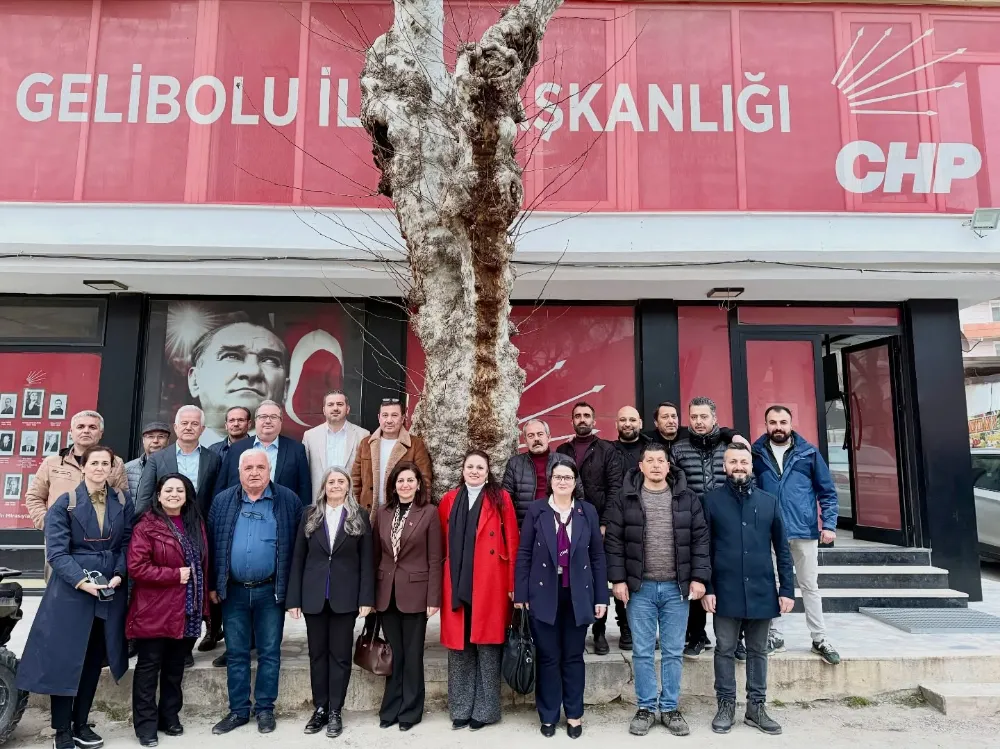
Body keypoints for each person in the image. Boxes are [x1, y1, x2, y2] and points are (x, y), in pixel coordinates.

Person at [17, 445, 134, 749]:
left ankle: (81, 723)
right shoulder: (64, 502)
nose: (99, 468)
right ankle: (62, 730)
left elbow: (127, 542)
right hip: (71, 591)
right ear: (84, 467)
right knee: (65, 659)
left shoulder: (122, 500)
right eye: (94, 462)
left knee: (94, 658)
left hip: (108, 589)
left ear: (112, 468)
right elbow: (56, 552)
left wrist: (120, 572)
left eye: (105, 463)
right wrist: (82, 581)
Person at [604, 443, 710, 737]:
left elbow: (700, 539)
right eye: (649, 460)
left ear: (668, 465)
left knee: (673, 651)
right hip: (640, 589)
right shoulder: (626, 497)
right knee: (642, 651)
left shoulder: (687, 497)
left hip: (677, 588)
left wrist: (699, 578)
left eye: (660, 460)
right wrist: (618, 580)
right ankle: (646, 707)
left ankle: (670, 708)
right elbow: (614, 541)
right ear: (640, 466)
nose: (655, 465)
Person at [207, 448, 303, 735]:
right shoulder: (223, 501)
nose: (254, 473)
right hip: (233, 591)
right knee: (236, 653)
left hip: (270, 591)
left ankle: (264, 710)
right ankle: (238, 711)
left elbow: (298, 550)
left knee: (269, 653)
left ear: (269, 470)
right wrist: (213, 585)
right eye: (248, 468)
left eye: (260, 467)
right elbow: (211, 545)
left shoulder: (288, 500)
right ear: (239, 472)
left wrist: (293, 593)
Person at [702, 443, 794, 736]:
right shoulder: (711, 502)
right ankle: (725, 705)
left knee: (758, 651)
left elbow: (782, 549)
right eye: (733, 462)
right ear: (724, 466)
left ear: (751, 466)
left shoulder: (769, 502)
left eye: (743, 461)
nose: (739, 466)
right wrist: (707, 587)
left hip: (762, 589)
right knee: (725, 649)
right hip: (724, 590)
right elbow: (703, 549)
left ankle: (756, 707)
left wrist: (787, 589)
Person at [514, 457, 607, 739]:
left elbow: (597, 556)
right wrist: (521, 593)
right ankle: (549, 715)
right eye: (558, 477)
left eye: (568, 477)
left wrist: (601, 596)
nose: (563, 481)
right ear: (551, 481)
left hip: (578, 593)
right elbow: (524, 553)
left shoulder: (587, 511)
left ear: (575, 481)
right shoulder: (537, 510)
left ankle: (575, 714)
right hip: (544, 593)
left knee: (573, 657)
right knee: (548, 657)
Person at [286, 466, 374, 738]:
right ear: (323, 486)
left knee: (340, 656)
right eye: (331, 481)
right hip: (314, 597)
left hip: (345, 598)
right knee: (317, 655)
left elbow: (367, 561)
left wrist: (366, 598)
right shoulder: (309, 515)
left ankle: (335, 710)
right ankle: (320, 708)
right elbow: (298, 558)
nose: (336, 485)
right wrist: (293, 599)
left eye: (340, 481)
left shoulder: (359, 516)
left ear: (348, 487)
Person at [751, 405, 840, 664]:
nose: (778, 427)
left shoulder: (809, 453)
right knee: (772, 585)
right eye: (773, 422)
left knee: (809, 585)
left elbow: (827, 491)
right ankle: (775, 636)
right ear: (766, 424)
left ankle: (819, 638)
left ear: (791, 424)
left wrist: (829, 525)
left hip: (804, 530)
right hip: (769, 532)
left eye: (783, 422)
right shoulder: (755, 453)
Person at [438, 450, 519, 731]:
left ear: (487, 472)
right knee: (460, 647)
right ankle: (460, 708)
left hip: (491, 582)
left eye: (480, 467)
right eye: (470, 466)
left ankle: (486, 710)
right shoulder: (449, 500)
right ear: (462, 470)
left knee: (487, 647)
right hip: (457, 582)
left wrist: (513, 585)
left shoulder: (500, 498)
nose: (474, 471)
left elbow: (512, 541)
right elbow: (442, 544)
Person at [127, 474, 209, 747]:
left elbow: (203, 565)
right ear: (159, 495)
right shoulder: (146, 525)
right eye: (169, 490)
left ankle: (169, 717)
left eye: (180, 490)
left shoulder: (195, 523)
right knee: (149, 668)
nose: (174, 494)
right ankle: (146, 725)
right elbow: (136, 567)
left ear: (187, 495)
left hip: (187, 609)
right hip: (155, 609)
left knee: (175, 668)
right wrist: (174, 575)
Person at [371, 462, 442, 730]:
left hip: (416, 593)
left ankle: (410, 711)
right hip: (386, 593)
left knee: (412, 655)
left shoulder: (429, 513)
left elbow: (435, 559)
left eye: (410, 480)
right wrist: (370, 596)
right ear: (393, 485)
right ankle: (391, 708)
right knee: (394, 654)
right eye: (400, 481)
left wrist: (433, 598)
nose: (405, 485)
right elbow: (375, 555)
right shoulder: (382, 512)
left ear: (418, 484)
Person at [670, 397, 742, 659]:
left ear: (715, 418)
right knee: (696, 579)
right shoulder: (678, 450)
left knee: (731, 582)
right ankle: (697, 635)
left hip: (728, 525)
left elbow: (747, 480)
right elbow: (673, 487)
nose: (698, 422)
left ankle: (737, 639)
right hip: (692, 525)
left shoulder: (730, 447)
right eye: (694, 417)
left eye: (704, 417)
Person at [26, 411, 129, 583]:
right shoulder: (52, 463)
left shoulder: (115, 463)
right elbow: (34, 497)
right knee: (58, 588)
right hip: (60, 541)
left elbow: (121, 502)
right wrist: (50, 525)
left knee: (98, 587)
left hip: (99, 545)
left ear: (101, 433)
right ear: (71, 432)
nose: (86, 431)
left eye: (92, 427)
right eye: (81, 427)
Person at [556, 401, 623, 655]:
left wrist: (604, 523)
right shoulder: (562, 450)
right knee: (570, 575)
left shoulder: (607, 450)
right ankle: (574, 627)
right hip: (566, 521)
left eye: (586, 416)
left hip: (596, 522)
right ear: (572, 421)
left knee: (596, 575)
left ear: (594, 421)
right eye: (578, 416)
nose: (582, 419)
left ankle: (599, 631)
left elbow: (615, 488)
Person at [186, 315, 289, 447]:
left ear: (285, 389)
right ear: (195, 380)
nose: (252, 371)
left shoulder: (295, 452)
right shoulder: (167, 449)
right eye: (232, 356)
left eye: (270, 360)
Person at [214, 400, 311, 506]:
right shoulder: (236, 448)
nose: (268, 421)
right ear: (255, 421)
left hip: (281, 512)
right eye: (263, 417)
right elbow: (221, 486)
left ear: (281, 421)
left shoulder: (296, 450)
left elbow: (304, 490)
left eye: (273, 417)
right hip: (240, 511)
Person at [136, 407, 222, 517]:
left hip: (200, 522)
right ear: (176, 427)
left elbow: (216, 496)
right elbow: (145, 498)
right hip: (164, 521)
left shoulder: (213, 459)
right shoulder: (157, 459)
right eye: (184, 423)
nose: (188, 428)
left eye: (194, 424)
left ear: (202, 429)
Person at [352, 398, 432, 511]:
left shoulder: (415, 445)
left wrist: (419, 511)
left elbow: (425, 482)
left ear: (402, 418)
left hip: (402, 511)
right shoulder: (366, 444)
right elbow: (355, 481)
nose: (389, 420)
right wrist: (354, 509)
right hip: (367, 511)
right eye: (385, 415)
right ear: (379, 418)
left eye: (394, 415)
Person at [502, 419, 582, 523]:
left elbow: (578, 496)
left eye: (540, 434)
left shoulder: (565, 461)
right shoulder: (515, 464)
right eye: (531, 436)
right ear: (525, 441)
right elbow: (506, 500)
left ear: (549, 437)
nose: (536, 439)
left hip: (559, 523)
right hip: (526, 523)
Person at [303, 390, 370, 500]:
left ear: (347, 409)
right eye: (330, 404)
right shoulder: (310, 436)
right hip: (319, 501)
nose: (335, 408)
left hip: (350, 501)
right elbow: (304, 475)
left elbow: (366, 475)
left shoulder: (363, 435)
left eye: (340, 404)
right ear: (324, 410)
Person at [125, 423, 172, 517]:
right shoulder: (128, 468)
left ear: (168, 441)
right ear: (143, 440)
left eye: (161, 437)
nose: (155, 441)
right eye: (150, 437)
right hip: (135, 521)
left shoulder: (174, 467)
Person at [613, 406, 651, 476]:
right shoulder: (608, 451)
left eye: (633, 420)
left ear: (640, 424)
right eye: (622, 420)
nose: (627, 424)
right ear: (616, 424)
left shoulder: (653, 450)